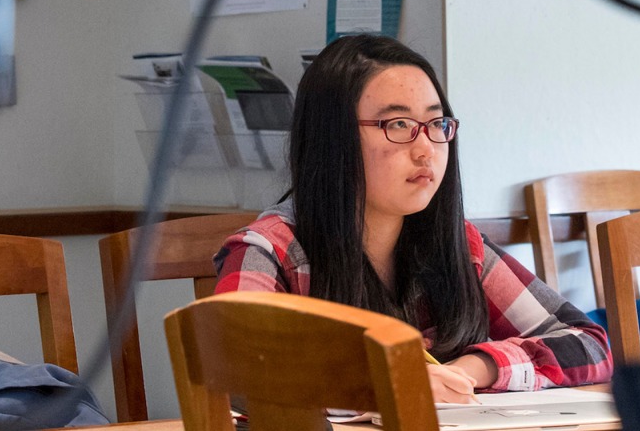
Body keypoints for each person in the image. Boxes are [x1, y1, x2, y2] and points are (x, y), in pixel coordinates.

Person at [213, 35, 612, 404]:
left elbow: (589, 344)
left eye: (436, 124)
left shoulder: (460, 244)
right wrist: (386, 381)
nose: (426, 150)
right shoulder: (269, 249)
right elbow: (237, 375)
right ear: (331, 139)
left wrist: (474, 369)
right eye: (398, 124)